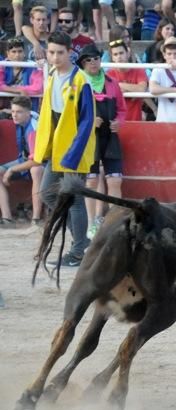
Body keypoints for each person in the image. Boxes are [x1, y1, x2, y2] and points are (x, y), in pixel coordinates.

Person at [33, 31, 96, 267]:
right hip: (58, 148)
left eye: (60, 52)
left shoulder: (81, 81)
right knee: (49, 193)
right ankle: (81, 242)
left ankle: (78, 250)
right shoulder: (51, 74)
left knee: (75, 200)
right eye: (51, 52)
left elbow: (87, 121)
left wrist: (74, 154)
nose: (55, 57)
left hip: (73, 150)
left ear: (70, 52)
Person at [77, 44, 127, 239]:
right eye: (88, 60)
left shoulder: (112, 82)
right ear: (82, 63)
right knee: (91, 181)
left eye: (96, 58)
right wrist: (89, 123)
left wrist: (118, 122)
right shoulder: (79, 82)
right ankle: (91, 224)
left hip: (110, 136)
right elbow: (71, 112)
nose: (93, 63)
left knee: (115, 179)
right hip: (89, 138)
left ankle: (116, 223)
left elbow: (121, 109)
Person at [0, 96, 43, 227]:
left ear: (28, 112)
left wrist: (12, 170)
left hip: (44, 163)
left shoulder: (34, 129)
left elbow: (37, 160)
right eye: (13, 112)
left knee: (36, 170)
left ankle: (36, 218)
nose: (14, 115)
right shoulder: (24, 120)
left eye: (19, 112)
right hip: (24, 160)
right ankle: (7, 218)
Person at [106, 39, 148, 121]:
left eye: (121, 53)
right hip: (116, 122)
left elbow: (142, 89)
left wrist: (119, 85)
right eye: (115, 54)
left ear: (128, 54)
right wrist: (133, 89)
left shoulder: (138, 70)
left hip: (135, 121)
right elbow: (110, 94)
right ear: (112, 58)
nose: (119, 57)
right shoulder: (109, 74)